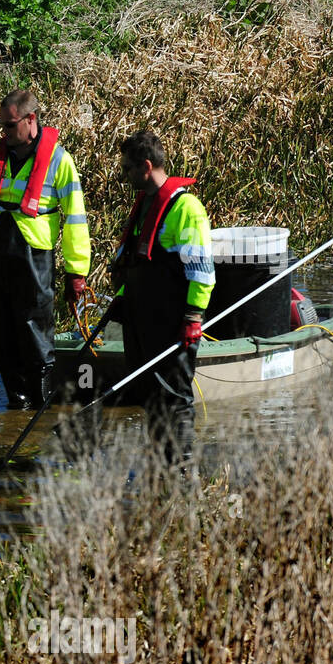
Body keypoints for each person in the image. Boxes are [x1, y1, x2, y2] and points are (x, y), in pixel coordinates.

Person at [0, 89, 91, 409]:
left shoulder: (59, 161)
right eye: (2, 125)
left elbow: (76, 219)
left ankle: (39, 406)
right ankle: (18, 406)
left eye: (10, 125)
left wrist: (76, 271)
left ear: (31, 120)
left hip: (34, 255)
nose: (5, 132)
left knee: (35, 334)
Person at [107, 129, 214, 467]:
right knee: (148, 396)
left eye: (127, 169)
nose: (123, 176)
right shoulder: (144, 205)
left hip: (173, 324)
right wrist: (122, 298)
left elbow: (201, 272)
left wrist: (193, 318)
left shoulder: (186, 209)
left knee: (174, 398)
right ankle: (158, 465)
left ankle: (181, 468)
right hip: (142, 321)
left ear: (146, 166)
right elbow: (135, 262)